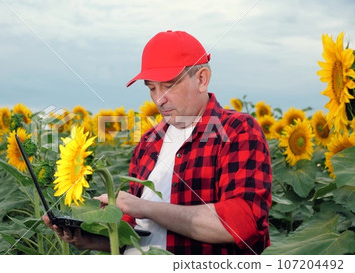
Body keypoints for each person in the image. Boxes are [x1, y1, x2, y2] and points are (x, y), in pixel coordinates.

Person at [43, 30, 272, 255]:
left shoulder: (236, 130)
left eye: (169, 85)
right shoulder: (149, 141)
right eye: (152, 88)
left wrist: (143, 207)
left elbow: (243, 224)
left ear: (202, 79)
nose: (159, 99)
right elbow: (136, 233)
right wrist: (88, 238)